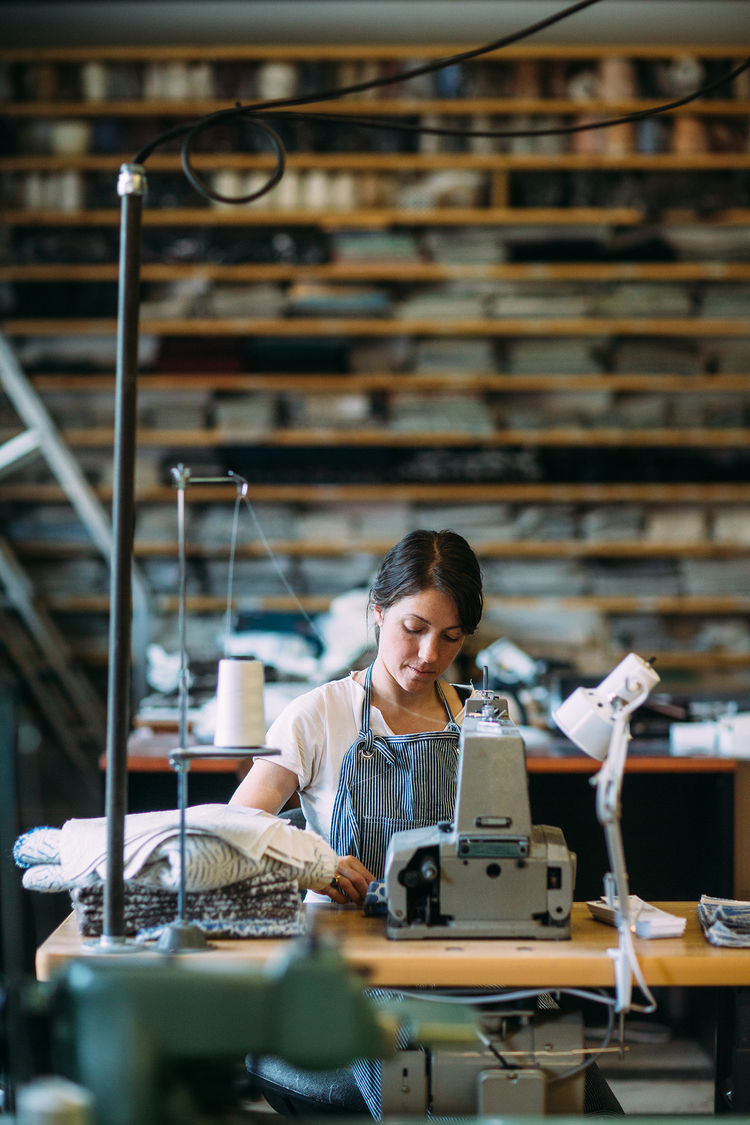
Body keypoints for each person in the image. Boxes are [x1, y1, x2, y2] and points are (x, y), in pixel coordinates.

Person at [230, 527, 482, 905]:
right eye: (414, 629)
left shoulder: (481, 719)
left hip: (452, 926)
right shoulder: (317, 715)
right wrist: (309, 862)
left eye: (451, 637)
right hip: (338, 929)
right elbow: (233, 832)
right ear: (379, 612)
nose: (430, 654)